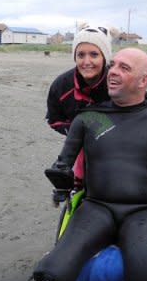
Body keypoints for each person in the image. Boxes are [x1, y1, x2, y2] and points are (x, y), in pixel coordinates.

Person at [33, 48, 147, 281]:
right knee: (55, 267)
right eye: (113, 65)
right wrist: (60, 175)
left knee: (144, 277)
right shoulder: (89, 118)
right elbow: (63, 164)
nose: (112, 71)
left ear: (144, 80)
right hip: (97, 207)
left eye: (124, 67)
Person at [46, 23, 119, 187]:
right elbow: (53, 120)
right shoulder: (61, 86)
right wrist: (79, 131)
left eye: (94, 54)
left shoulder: (117, 82)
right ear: (75, 57)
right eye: (80, 55)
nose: (87, 62)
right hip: (81, 146)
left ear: (105, 57)